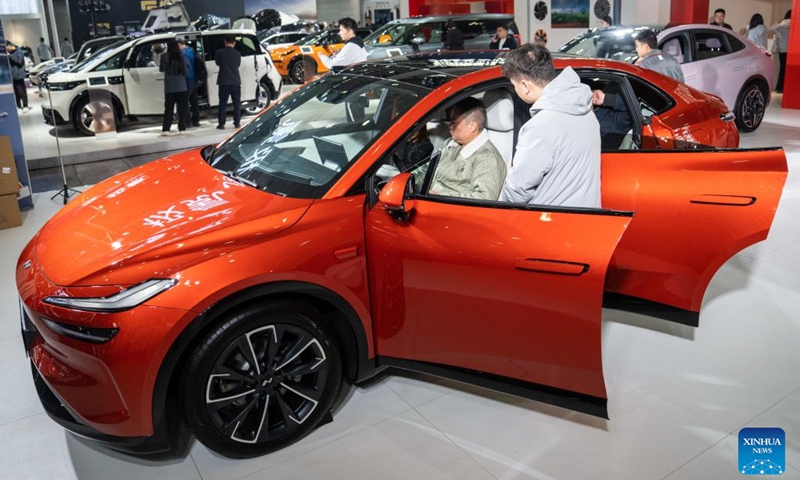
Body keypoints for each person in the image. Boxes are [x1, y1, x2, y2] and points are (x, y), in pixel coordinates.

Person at [499, 43, 601, 208]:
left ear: (525, 85)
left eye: (514, 84)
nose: (515, 89)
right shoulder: (584, 107)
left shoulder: (540, 127)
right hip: (586, 217)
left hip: (551, 223)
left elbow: (517, 190)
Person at [430, 97, 506, 200]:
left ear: (472, 126)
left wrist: (440, 196)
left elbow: (484, 199)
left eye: (453, 122)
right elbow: (428, 170)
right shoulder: (450, 143)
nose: (449, 126)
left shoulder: (488, 159)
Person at [159, 40, 190, 135]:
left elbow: (161, 69)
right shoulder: (183, 56)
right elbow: (186, 71)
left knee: (169, 109)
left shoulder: (164, 57)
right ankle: (182, 128)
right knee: (182, 109)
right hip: (182, 87)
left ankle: (166, 129)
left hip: (169, 87)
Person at [215, 35, 242, 129]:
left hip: (223, 81)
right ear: (234, 43)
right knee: (237, 103)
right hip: (235, 80)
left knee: (222, 103)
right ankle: (237, 123)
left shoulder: (219, 52)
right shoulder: (237, 53)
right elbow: (238, 64)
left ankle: (221, 124)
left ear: (225, 42)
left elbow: (217, 63)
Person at [178, 38, 201, 127]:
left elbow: (186, 68)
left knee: (185, 102)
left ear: (180, 45)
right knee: (194, 102)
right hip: (194, 79)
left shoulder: (183, 54)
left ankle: (188, 122)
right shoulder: (191, 51)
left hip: (188, 80)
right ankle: (196, 120)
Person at [772, 10, 791, 93]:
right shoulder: (788, 22)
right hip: (787, 49)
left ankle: (780, 87)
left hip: (782, 49)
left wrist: (778, 23)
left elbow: (773, 28)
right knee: (785, 69)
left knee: (782, 68)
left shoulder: (782, 23)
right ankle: (782, 87)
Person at [7, 41, 29, 113]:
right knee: (16, 92)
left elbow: (19, 61)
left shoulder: (19, 52)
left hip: (19, 75)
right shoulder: (10, 53)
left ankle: (25, 105)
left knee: (21, 91)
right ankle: (18, 105)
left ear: (9, 45)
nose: (7, 49)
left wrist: (10, 56)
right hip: (12, 75)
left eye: (7, 47)